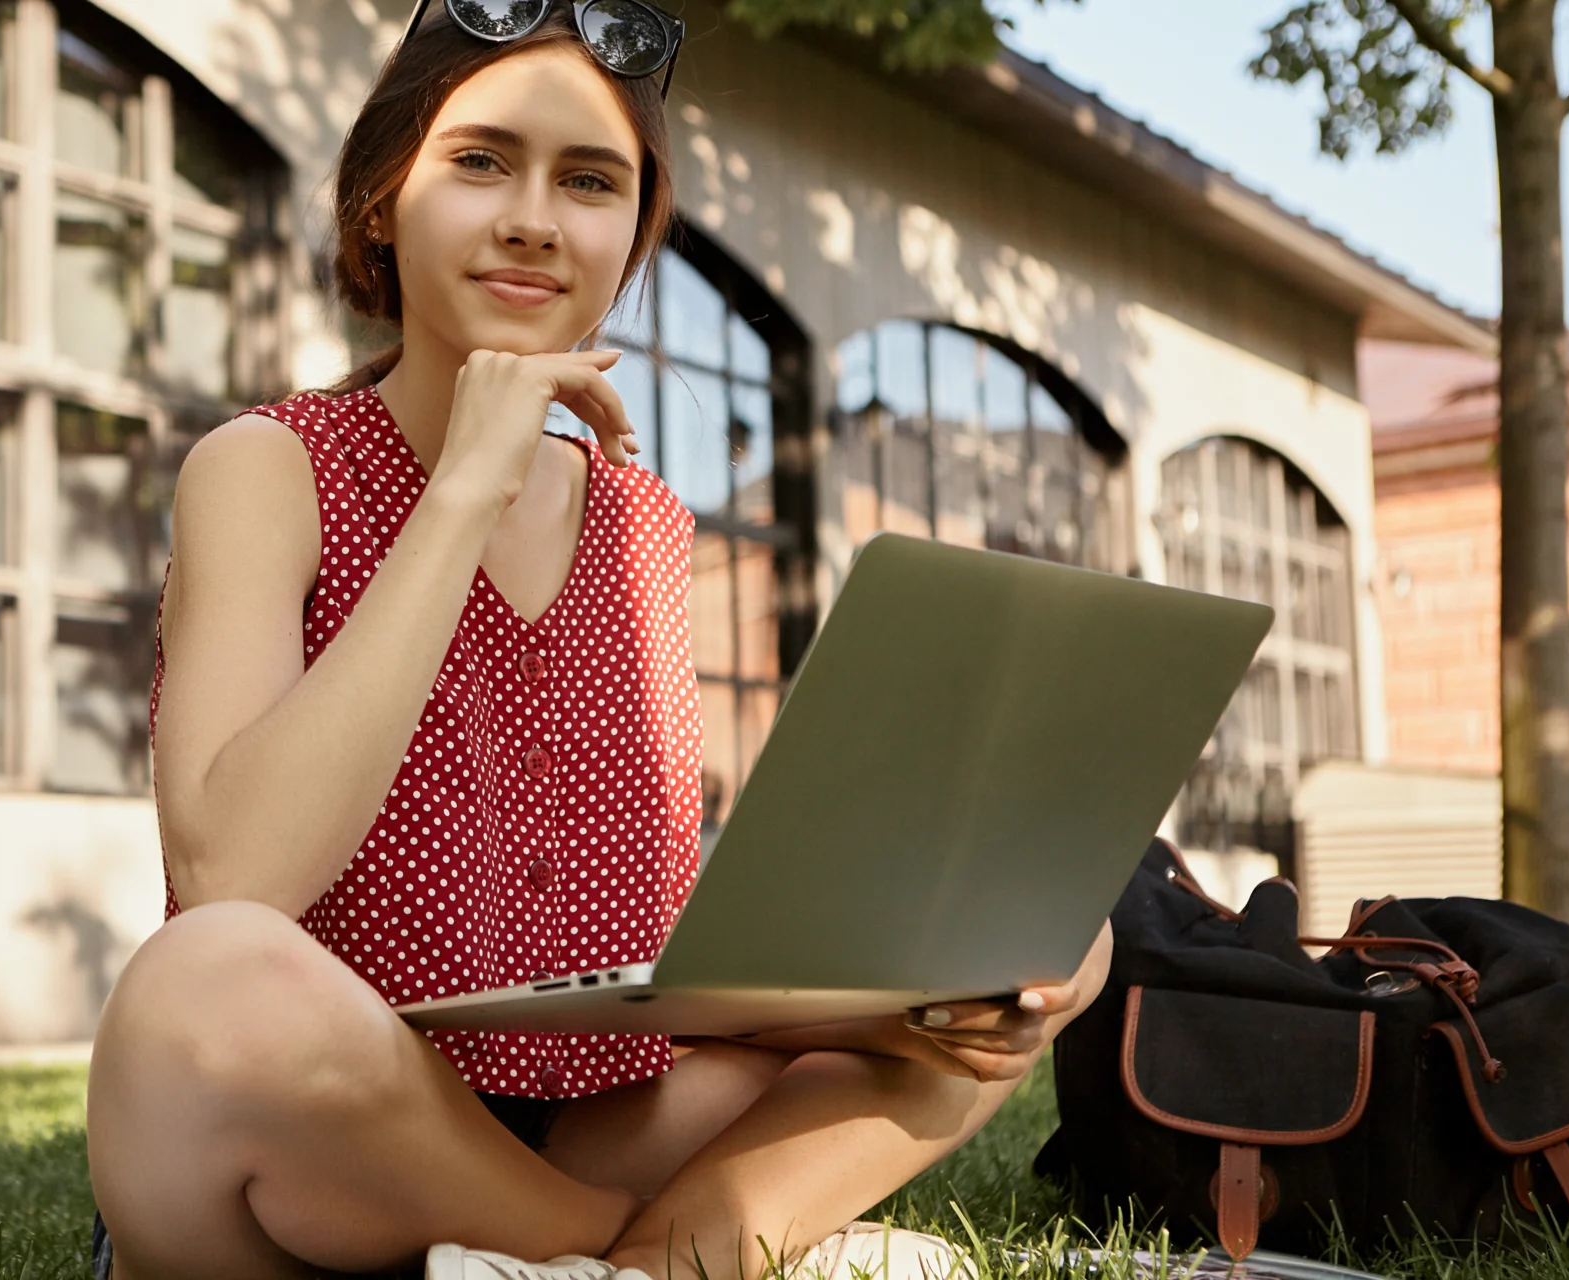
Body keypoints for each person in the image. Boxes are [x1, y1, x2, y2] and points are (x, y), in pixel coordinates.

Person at [83, 2, 1116, 1276]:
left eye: (589, 181)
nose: (532, 217)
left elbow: (659, 952)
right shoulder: (265, 466)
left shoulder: (643, 522)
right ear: (378, 201)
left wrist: (926, 990)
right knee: (207, 979)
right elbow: (236, 877)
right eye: (478, 161)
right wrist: (460, 492)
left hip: (598, 1120)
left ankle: (594, 1256)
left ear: (629, 238)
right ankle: (637, 1258)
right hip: (316, 1131)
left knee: (1048, 935)